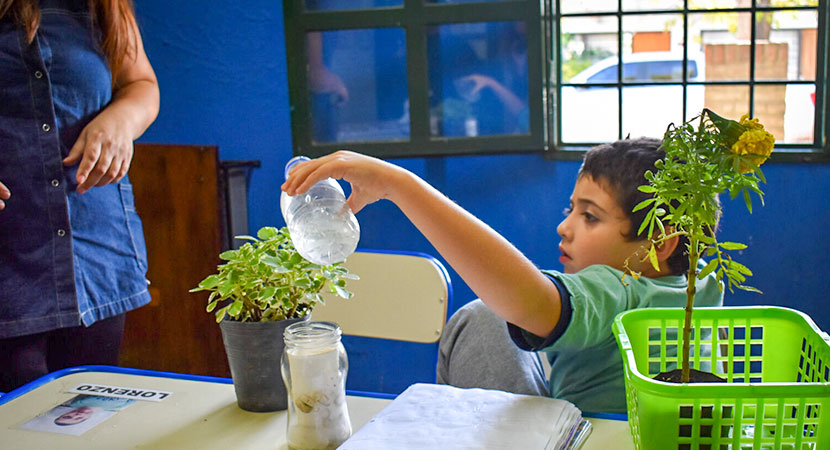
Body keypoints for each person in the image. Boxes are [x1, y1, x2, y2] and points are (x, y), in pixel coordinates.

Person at [281, 139, 724, 414]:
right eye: (571, 210)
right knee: (491, 317)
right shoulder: (701, 285)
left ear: (660, 243)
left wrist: (400, 185)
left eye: (590, 217)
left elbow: (529, 302)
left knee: (486, 315)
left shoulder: (625, 289)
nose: (564, 227)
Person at [0, 0, 159, 392]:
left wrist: (122, 119)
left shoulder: (104, 6)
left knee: (88, 419)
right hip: (9, 258)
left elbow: (141, 85)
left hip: (94, 255)